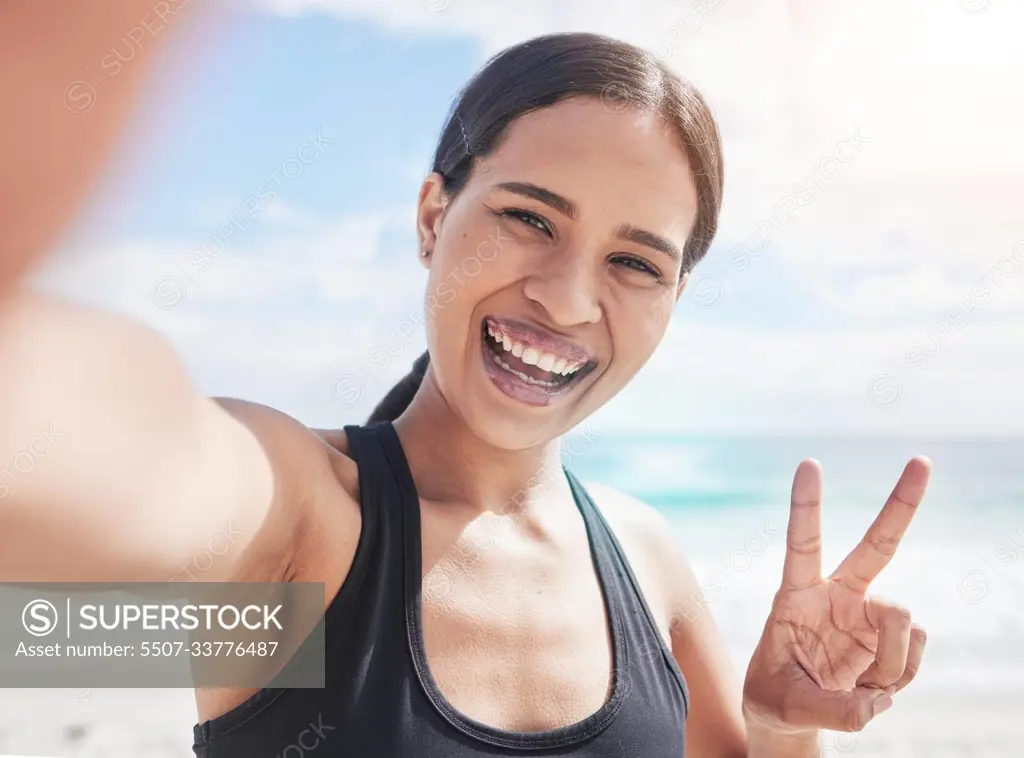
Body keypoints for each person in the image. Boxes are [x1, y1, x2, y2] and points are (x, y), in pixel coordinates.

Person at [0, 20, 930, 758]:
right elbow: (104, 506)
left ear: (674, 298)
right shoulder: (301, 523)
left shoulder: (646, 564)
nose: (568, 298)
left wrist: (778, 727)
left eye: (635, 263)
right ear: (434, 215)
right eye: (529, 218)